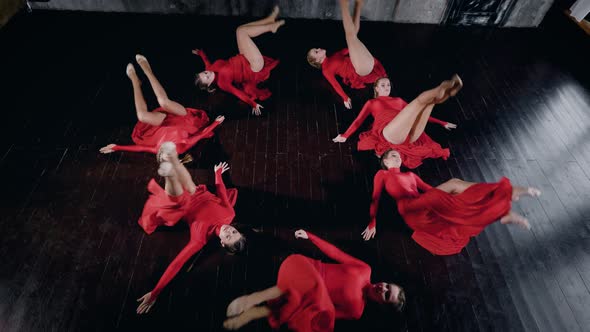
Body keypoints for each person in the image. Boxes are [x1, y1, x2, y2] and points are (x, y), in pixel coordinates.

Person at [361, 149, 542, 255]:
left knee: (455, 186)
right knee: (454, 184)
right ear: (385, 161)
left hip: (425, 207)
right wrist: (372, 222)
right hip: (409, 211)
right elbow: (375, 198)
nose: (398, 156)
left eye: (399, 155)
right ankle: (504, 194)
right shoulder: (382, 174)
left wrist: (454, 199)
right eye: (393, 155)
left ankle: (501, 207)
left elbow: (431, 191)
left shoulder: (410, 175)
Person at [135, 142, 246, 314]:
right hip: (196, 191)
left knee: (174, 186)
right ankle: (170, 164)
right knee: (184, 180)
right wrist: (217, 175)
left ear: (223, 243)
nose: (229, 230)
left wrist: (155, 292)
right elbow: (221, 192)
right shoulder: (229, 214)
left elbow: (177, 264)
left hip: (181, 203)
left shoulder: (199, 240)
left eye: (229, 236)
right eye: (234, 231)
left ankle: (168, 167)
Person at [222, 230, 404, 330]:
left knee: (258, 278)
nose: (383, 288)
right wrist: (311, 237)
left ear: (382, 305)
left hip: (299, 292)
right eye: (388, 286)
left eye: (387, 295)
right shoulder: (365, 270)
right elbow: (336, 253)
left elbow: (321, 313)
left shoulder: (356, 311)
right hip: (301, 267)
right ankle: (235, 239)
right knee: (266, 253)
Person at [99, 55, 223, 157]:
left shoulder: (158, 148)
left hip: (164, 123)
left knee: (142, 116)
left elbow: (140, 148)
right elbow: (200, 135)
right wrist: (216, 123)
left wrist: (116, 147)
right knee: (163, 102)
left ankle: (135, 80)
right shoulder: (182, 146)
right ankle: (146, 72)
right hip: (188, 121)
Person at [333, 76, 460, 168]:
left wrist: (442, 122)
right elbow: (358, 120)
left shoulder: (398, 101)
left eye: (388, 85)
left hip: (408, 134)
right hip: (388, 130)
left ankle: (447, 92)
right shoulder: (372, 103)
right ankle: (442, 87)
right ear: (376, 88)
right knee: (419, 102)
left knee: (429, 103)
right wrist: (345, 135)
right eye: (383, 85)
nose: (387, 87)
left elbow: (416, 114)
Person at [193, 6, 284, 116]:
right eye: (207, 77)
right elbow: (238, 93)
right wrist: (253, 104)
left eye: (205, 73)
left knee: (239, 30)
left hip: (243, 58)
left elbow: (206, 61)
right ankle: (271, 27)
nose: (208, 73)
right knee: (243, 32)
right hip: (253, 67)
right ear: (209, 85)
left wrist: (200, 54)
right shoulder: (222, 84)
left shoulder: (209, 69)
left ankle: (268, 21)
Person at [306, 0, 387, 109]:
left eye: (316, 49)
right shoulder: (326, 70)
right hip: (361, 70)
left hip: (363, 62)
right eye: (316, 51)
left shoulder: (334, 56)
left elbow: (348, 49)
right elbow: (335, 85)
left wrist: (353, 45)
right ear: (317, 60)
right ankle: (344, 4)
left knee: (353, 36)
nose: (319, 48)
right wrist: (345, 98)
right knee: (351, 36)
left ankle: (358, 4)